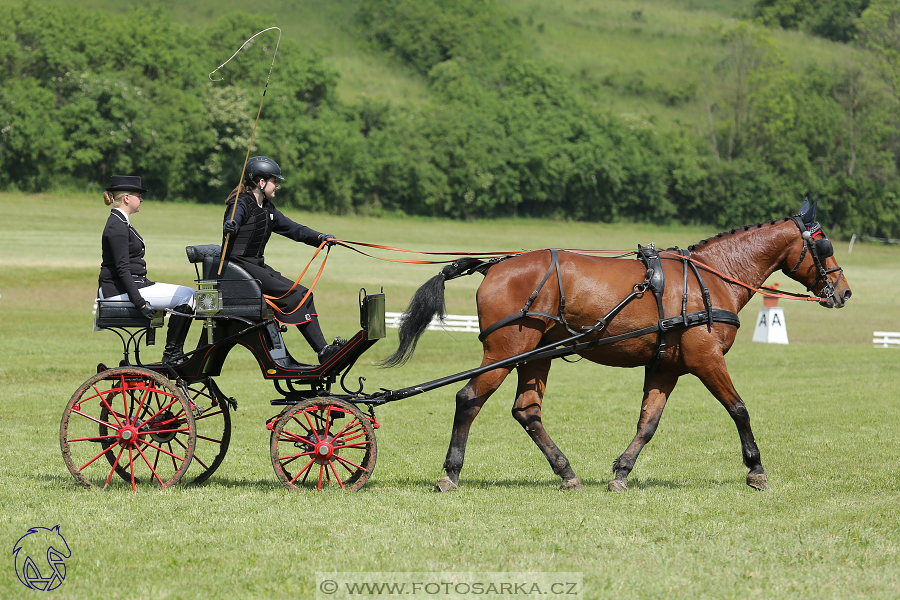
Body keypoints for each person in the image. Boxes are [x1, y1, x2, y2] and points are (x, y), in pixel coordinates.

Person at [221, 156, 344, 363]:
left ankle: (324, 351)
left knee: (305, 294)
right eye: (274, 180)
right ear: (261, 182)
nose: (277, 184)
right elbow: (234, 217)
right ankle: (323, 351)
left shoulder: (268, 209)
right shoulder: (241, 203)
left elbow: (293, 229)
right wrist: (230, 225)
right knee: (293, 295)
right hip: (238, 267)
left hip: (256, 265)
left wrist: (320, 238)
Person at [98, 175, 195, 365]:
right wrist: (140, 303)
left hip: (131, 285)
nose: (141, 199)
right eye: (138, 195)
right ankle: (172, 354)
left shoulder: (121, 222)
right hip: (118, 291)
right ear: (127, 198)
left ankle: (175, 353)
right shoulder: (117, 226)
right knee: (188, 296)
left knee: (189, 294)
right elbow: (123, 269)